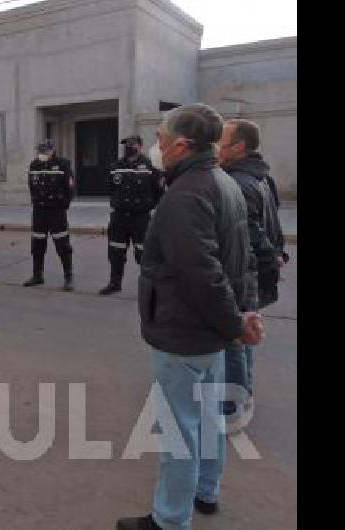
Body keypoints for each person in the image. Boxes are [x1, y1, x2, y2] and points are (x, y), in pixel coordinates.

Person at [117, 104, 264, 530]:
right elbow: (241, 259)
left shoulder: (187, 195)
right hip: (212, 333)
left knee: (179, 430)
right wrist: (241, 315)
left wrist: (238, 323)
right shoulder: (224, 182)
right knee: (208, 419)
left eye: (161, 141)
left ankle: (169, 520)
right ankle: (206, 490)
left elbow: (203, 274)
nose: (155, 148)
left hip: (185, 334)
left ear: (181, 144)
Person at [218, 119, 285, 429]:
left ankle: (231, 408)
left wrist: (270, 255)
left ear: (239, 147)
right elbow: (273, 222)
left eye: (223, 141)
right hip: (253, 272)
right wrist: (278, 253)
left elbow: (251, 232)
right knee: (246, 333)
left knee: (234, 336)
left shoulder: (238, 183)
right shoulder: (261, 177)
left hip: (243, 272)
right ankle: (244, 392)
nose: (217, 146)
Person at [99, 134, 163, 295]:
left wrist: (148, 205)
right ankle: (115, 283)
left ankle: (149, 288)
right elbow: (110, 188)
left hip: (140, 218)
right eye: (126, 144)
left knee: (144, 254)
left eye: (132, 144)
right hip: (119, 217)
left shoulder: (150, 166)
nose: (128, 147)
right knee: (115, 252)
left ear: (140, 146)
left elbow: (159, 190)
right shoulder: (116, 166)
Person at [24, 139, 75, 291]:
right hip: (39, 212)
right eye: (39, 151)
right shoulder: (34, 165)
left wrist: (63, 205)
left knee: (62, 245)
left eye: (43, 151)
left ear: (52, 150)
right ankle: (37, 275)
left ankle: (68, 277)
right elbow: (32, 186)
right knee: (37, 245)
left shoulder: (63, 164)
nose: (41, 154)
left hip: (56, 212)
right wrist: (36, 201)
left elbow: (70, 187)